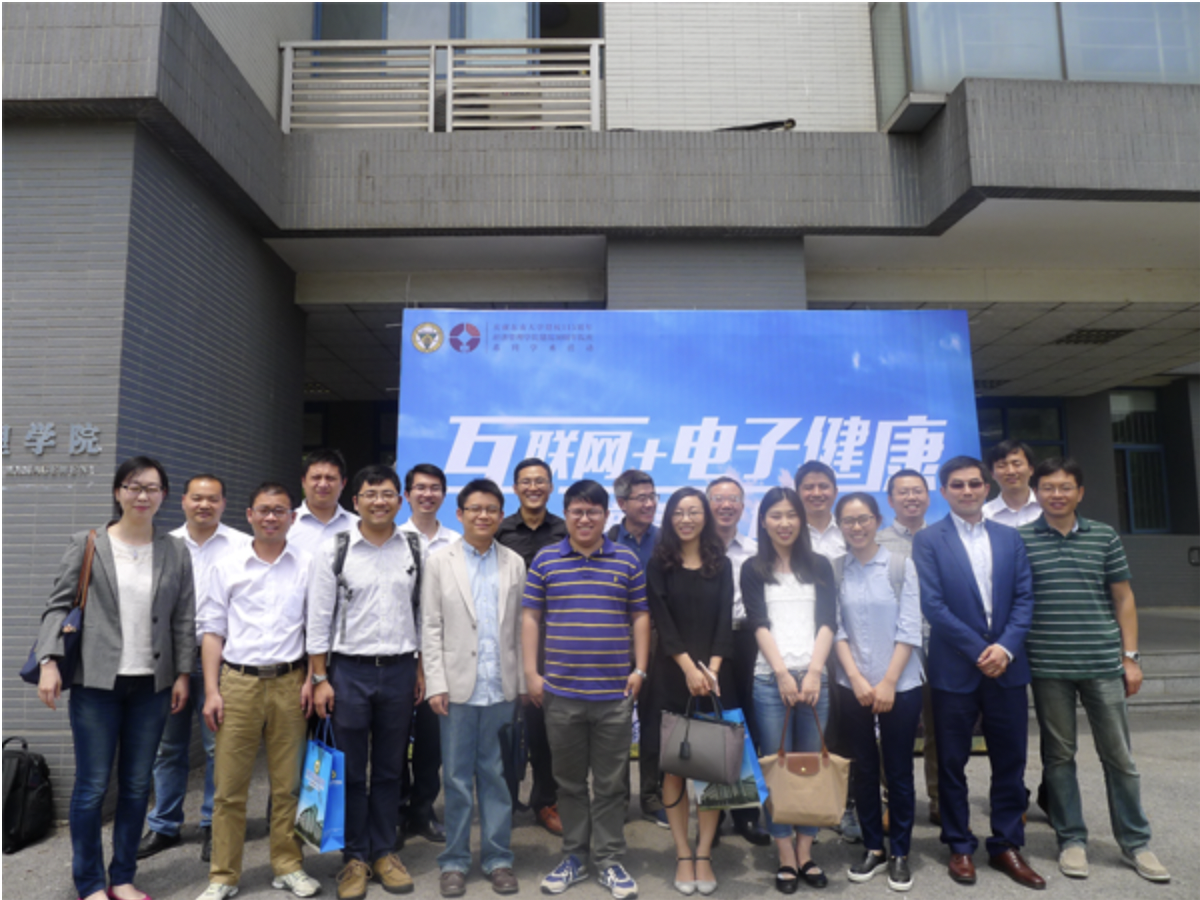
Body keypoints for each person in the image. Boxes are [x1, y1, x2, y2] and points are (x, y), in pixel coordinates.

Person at [35, 456, 195, 900]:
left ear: (164, 495)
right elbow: (57, 605)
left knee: (137, 785)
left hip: (152, 686)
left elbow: (184, 618)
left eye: (151, 488)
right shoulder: (88, 544)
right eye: (133, 486)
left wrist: (183, 673)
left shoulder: (175, 550)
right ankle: (89, 883)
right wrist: (49, 660)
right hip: (96, 685)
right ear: (117, 492)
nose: (142, 495)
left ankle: (122, 878)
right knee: (91, 787)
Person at [1019, 458, 1170, 883]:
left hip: (1103, 664)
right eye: (1048, 487)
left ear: (1080, 492)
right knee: (1059, 757)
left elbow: (1123, 598)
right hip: (1048, 666)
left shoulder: (1104, 536)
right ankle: (1071, 839)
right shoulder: (1021, 540)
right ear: (1037, 493)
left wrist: (1131, 656)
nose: (1057, 494)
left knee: (1119, 757)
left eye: (1065, 487)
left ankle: (1136, 842)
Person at [911, 456, 1043, 890]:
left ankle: (1006, 844)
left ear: (986, 488)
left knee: (1011, 760)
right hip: (954, 668)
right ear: (943, 492)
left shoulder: (1009, 538)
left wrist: (1004, 648)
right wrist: (978, 650)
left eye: (974, 484)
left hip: (1007, 666)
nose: (966, 491)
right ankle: (959, 844)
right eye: (957, 485)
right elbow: (933, 605)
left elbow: (1025, 597)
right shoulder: (929, 540)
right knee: (951, 761)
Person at [524, 480, 650, 900]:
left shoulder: (626, 560)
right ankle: (575, 857)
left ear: (606, 516)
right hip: (561, 694)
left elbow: (640, 615)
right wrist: (531, 673)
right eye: (576, 511)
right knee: (570, 783)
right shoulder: (546, 560)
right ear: (566, 515)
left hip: (614, 694)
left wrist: (640, 669)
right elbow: (530, 617)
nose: (584, 518)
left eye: (592, 511)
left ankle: (610, 860)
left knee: (612, 784)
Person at [196, 483, 320, 900]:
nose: (271, 518)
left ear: (292, 518)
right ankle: (223, 875)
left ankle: (288, 866)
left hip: (290, 683)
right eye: (264, 510)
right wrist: (211, 690)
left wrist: (312, 678)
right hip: (238, 683)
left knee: (288, 786)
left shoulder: (307, 564)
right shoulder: (227, 565)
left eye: (279, 511)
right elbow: (212, 631)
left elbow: (316, 627)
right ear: (249, 514)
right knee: (229, 788)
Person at [306, 464, 423, 899]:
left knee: (391, 768)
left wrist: (421, 669)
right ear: (355, 501)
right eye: (370, 494)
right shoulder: (335, 549)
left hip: (400, 669)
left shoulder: (413, 548)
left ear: (400, 500)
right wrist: (320, 677)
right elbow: (318, 618)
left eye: (388, 494)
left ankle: (384, 852)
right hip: (348, 672)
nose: (380, 501)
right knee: (351, 770)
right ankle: (354, 857)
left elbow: (421, 614)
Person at [422, 479, 528, 898]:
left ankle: (499, 859)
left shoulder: (514, 562)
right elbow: (431, 625)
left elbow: (520, 627)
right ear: (460, 514)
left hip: (500, 687)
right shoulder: (439, 562)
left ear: (501, 516)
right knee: (457, 779)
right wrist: (436, 682)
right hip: (456, 688)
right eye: (474, 509)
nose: (483, 515)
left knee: (497, 777)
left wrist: (522, 682)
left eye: (491, 509)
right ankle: (454, 861)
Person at [140, 474, 251, 864]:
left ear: (224, 504)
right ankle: (164, 824)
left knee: (218, 746)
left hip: (223, 657)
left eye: (213, 499)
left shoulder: (241, 545)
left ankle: (213, 824)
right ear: (183, 501)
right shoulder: (163, 543)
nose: (205, 505)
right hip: (170, 659)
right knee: (167, 748)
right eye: (197, 498)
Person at [742, 486, 837, 894]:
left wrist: (814, 672)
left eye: (791, 515)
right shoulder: (753, 568)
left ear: (802, 519)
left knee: (810, 766)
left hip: (815, 678)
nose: (785, 523)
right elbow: (758, 623)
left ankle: (805, 852)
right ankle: (784, 855)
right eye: (776, 515)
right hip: (770, 680)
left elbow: (828, 621)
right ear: (763, 521)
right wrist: (781, 673)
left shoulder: (819, 565)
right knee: (777, 768)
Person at [832, 493, 924, 892]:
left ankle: (900, 850)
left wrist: (888, 681)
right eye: (848, 521)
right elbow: (835, 628)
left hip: (900, 684)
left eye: (864, 519)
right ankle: (874, 847)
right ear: (840, 525)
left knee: (899, 771)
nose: (857, 527)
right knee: (864, 769)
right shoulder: (836, 569)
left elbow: (910, 627)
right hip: (852, 685)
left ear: (877, 520)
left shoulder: (901, 565)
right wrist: (855, 678)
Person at [647, 488, 734, 897]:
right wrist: (688, 668)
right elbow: (662, 622)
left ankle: (704, 852)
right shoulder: (659, 563)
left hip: (714, 678)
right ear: (669, 518)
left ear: (705, 517)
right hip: (671, 674)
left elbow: (724, 622)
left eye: (694, 511)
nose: (686, 519)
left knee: (711, 768)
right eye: (679, 512)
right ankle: (683, 852)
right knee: (676, 768)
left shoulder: (722, 563)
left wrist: (711, 671)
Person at [496, 457, 568, 836]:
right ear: (515, 488)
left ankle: (546, 800)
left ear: (551, 487)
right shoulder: (500, 530)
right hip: (505, 638)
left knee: (544, 728)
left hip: (552, 640)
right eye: (526, 481)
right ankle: (503, 801)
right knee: (503, 727)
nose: (533, 487)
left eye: (541, 481)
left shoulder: (565, 530)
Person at [793, 461, 857, 842]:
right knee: (802, 733)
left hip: (847, 643)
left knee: (843, 730)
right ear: (798, 492)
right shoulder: (787, 531)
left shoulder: (849, 530)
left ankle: (843, 806)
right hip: (799, 646)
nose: (816, 493)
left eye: (823, 486)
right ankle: (798, 808)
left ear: (834, 490)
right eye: (809, 487)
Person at [706, 477, 771, 847]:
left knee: (748, 725)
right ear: (708, 504)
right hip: (709, 643)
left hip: (748, 639)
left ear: (743, 508)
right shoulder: (694, 549)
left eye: (733, 499)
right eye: (718, 498)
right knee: (715, 727)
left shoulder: (755, 551)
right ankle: (713, 814)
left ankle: (747, 814)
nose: (726, 504)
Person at [398, 462, 460, 847]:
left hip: (439, 656)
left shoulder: (456, 542)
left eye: (435, 488)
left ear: (443, 494)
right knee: (391, 739)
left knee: (430, 739)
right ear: (407, 495)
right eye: (420, 488)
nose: (427, 494)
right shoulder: (391, 538)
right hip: (397, 653)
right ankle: (397, 809)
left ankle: (423, 809)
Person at [875, 469, 940, 826]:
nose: (911, 498)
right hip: (896, 649)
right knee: (893, 730)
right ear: (890, 500)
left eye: (917, 491)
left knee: (939, 727)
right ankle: (893, 802)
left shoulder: (944, 537)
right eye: (903, 492)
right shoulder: (877, 541)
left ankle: (940, 799)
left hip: (940, 644)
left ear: (928, 496)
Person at [610, 469, 665, 828]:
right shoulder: (607, 541)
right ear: (621, 503)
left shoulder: (667, 540)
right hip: (615, 638)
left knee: (654, 721)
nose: (649, 504)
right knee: (614, 722)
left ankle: (650, 796)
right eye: (641, 498)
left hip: (659, 637)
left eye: (652, 497)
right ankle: (615, 798)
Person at [289, 447, 358, 556]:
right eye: (316, 477)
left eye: (330, 478)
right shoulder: (286, 525)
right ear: (303, 481)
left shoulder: (358, 527)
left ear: (343, 483)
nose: (323, 484)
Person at [983, 440, 1042, 528]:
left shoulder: (1047, 507)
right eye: (1001, 466)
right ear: (992, 474)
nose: (1011, 471)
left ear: (1031, 469)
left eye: (1017, 464)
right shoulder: (984, 515)